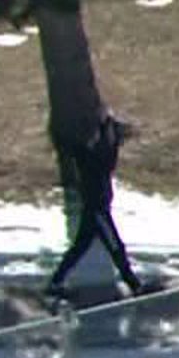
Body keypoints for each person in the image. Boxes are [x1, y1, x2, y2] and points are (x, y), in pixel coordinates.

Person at [47, 113, 148, 299]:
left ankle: (55, 281)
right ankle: (133, 284)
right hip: (97, 209)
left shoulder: (92, 150)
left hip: (96, 208)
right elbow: (105, 163)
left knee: (80, 247)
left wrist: (114, 140)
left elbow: (106, 161)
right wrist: (114, 140)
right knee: (115, 246)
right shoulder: (92, 153)